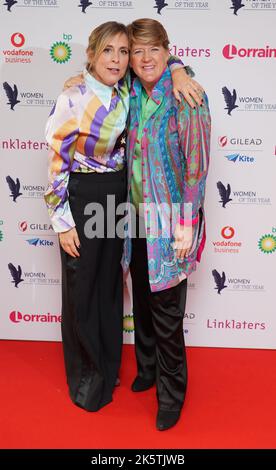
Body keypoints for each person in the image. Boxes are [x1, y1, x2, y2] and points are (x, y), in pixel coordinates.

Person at [45, 21, 202, 413]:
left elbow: (196, 167)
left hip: (145, 211)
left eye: (124, 51)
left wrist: (180, 66)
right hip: (104, 206)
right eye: (113, 51)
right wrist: (62, 220)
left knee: (136, 295)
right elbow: (58, 161)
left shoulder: (159, 94)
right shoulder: (99, 93)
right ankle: (112, 376)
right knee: (102, 291)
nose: (125, 59)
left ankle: (142, 383)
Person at [122, 18, 211, 431]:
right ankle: (147, 369)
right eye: (136, 51)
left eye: (152, 49)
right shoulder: (131, 93)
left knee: (167, 312)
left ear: (166, 48)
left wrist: (186, 223)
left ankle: (171, 395)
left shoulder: (186, 96)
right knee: (141, 297)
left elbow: (197, 166)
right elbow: (99, 72)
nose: (144, 59)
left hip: (171, 224)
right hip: (133, 218)